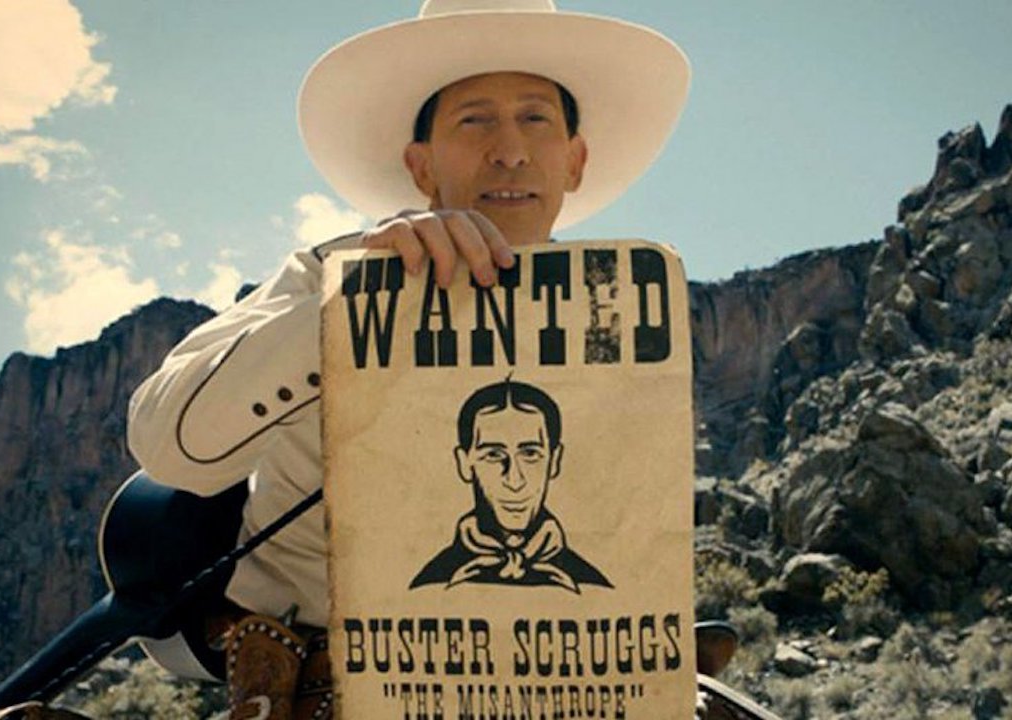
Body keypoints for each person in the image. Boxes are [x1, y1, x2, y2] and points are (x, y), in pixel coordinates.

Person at [126, 0, 689, 716]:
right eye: (475, 120)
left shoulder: (623, 322)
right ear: (420, 165)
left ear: (575, 161)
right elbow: (170, 447)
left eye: (536, 119)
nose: (510, 150)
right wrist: (356, 299)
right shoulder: (324, 276)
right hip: (322, 686)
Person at [410, 377, 612, 591]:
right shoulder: (430, 584)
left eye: (530, 454)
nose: (514, 480)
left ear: (554, 461)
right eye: (493, 455)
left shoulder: (591, 584)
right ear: (464, 463)